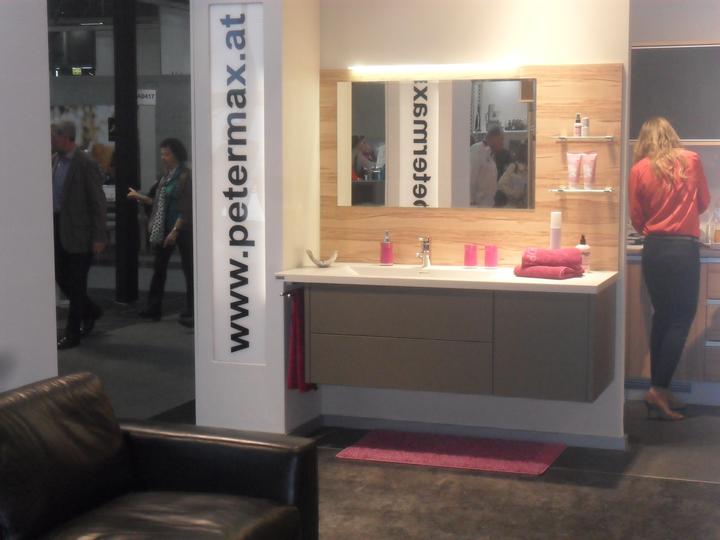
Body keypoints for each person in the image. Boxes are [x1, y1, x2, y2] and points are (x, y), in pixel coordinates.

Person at [629, 116, 710, 420]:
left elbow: (637, 218)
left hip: (655, 250)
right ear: (671, 135)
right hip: (682, 250)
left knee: (662, 317)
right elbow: (704, 202)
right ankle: (658, 389)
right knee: (680, 319)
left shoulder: (639, 169)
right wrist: (683, 213)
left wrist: (656, 224)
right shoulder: (691, 160)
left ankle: (659, 390)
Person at [51, 121, 107, 350]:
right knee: (61, 277)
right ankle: (91, 310)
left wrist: (99, 237)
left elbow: (97, 202)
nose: (51, 141)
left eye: (54, 137)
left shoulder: (85, 163)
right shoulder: (54, 161)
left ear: (66, 137)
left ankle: (72, 334)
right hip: (58, 229)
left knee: (76, 283)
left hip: (81, 234)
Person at [128, 138, 193, 326]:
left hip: (182, 228)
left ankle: (192, 308)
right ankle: (153, 308)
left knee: (189, 269)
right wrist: (140, 197)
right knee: (159, 268)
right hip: (165, 227)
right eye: (162, 154)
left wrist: (175, 230)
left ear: (177, 155)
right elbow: (158, 202)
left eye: (167, 154)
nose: (163, 157)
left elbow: (186, 207)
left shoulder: (185, 176)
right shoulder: (166, 177)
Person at [469, 126, 504, 207]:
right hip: (477, 205)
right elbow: (471, 178)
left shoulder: (491, 153)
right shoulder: (476, 150)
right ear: (493, 138)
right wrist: (471, 202)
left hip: (488, 204)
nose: (502, 143)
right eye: (501, 139)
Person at [496, 142, 529, 208]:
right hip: (514, 205)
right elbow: (501, 184)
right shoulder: (514, 166)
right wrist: (516, 194)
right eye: (525, 151)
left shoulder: (533, 168)